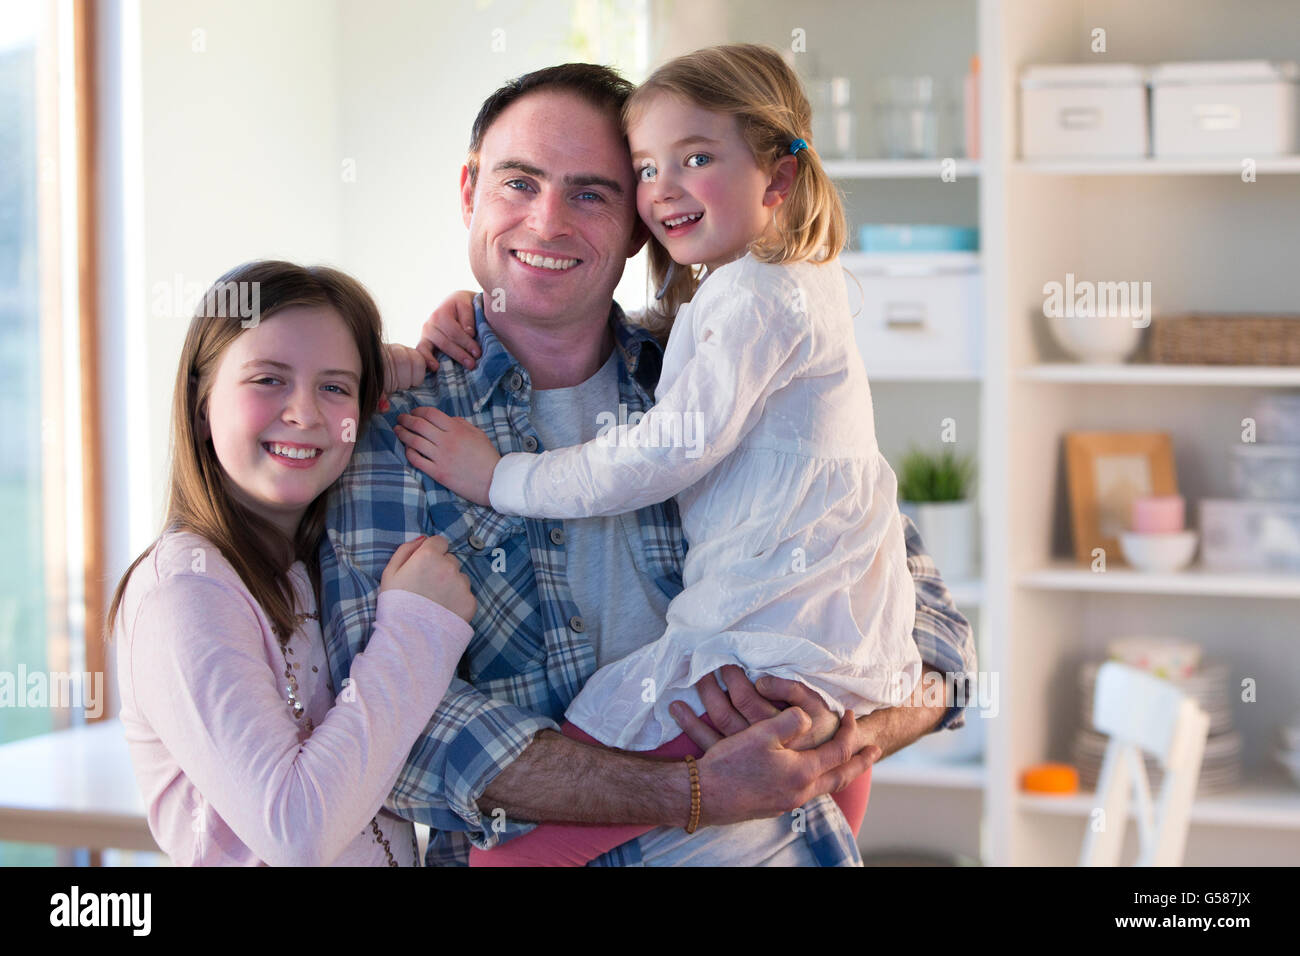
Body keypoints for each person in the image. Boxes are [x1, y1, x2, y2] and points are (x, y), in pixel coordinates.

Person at [322, 62, 978, 867]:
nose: (549, 221)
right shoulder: (396, 425)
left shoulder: (715, 370)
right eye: (518, 182)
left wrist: (819, 739)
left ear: (639, 222)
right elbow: (388, 737)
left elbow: (940, 645)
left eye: (593, 192)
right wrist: (695, 790)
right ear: (469, 192)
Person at [108, 261, 476, 866]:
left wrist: (421, 356)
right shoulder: (186, 592)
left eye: (335, 387)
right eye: (267, 380)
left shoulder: (314, 563)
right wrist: (417, 627)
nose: (304, 413)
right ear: (203, 407)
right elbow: (295, 829)